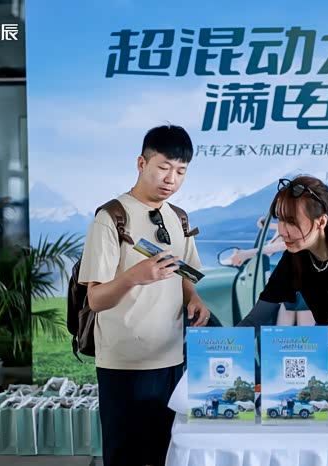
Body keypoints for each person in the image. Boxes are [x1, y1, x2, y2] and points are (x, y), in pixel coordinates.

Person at [78, 124, 210, 466]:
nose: (171, 179)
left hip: (171, 359)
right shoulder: (111, 218)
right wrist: (135, 276)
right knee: (126, 457)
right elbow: (95, 299)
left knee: (168, 455)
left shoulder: (178, 218)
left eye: (180, 171)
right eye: (163, 168)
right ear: (141, 163)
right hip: (124, 363)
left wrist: (194, 298)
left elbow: (185, 275)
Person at [237, 175, 328, 392]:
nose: (282, 231)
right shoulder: (295, 256)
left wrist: (281, 365)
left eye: (292, 222)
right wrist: (223, 348)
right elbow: (255, 320)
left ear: (321, 222)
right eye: (280, 220)